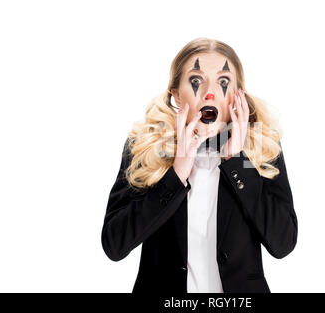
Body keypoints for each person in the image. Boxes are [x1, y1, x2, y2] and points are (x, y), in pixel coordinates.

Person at [101, 37, 298, 293]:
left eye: (223, 81)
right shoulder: (148, 147)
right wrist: (176, 174)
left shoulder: (260, 148)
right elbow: (114, 245)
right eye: (196, 80)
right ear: (176, 94)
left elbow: (283, 243)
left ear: (239, 96)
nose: (210, 92)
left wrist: (237, 161)